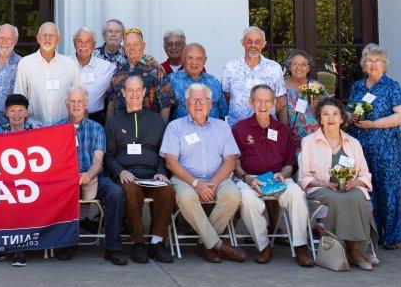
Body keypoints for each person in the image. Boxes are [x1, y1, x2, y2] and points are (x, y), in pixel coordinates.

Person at [161, 83, 245, 263]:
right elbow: (171, 162)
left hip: (218, 178)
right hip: (185, 179)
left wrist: (213, 183)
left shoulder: (222, 127)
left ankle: (204, 244)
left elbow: (230, 161)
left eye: (203, 100)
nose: (198, 104)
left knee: (232, 195)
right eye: (193, 100)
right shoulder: (175, 127)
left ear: (210, 104)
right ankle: (217, 245)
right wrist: (196, 184)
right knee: (185, 197)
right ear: (186, 103)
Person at [232, 85, 314, 266]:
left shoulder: (283, 130)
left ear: (274, 103)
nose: (263, 105)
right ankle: (263, 246)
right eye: (258, 101)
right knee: (247, 198)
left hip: (278, 177)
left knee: (297, 194)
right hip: (250, 178)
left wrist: (283, 175)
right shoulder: (239, 128)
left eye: (267, 101)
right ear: (250, 102)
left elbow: (289, 164)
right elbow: (235, 163)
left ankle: (300, 246)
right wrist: (247, 178)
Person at [299, 98, 377, 271]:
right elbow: (304, 176)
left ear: (342, 118)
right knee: (339, 199)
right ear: (320, 118)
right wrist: (324, 184)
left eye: (335, 114)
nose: (330, 118)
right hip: (321, 189)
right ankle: (353, 251)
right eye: (325, 114)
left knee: (359, 196)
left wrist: (354, 182)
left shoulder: (353, 143)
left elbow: (364, 173)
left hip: (350, 187)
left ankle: (356, 250)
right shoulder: (309, 141)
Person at [52, 87, 127, 265]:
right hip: (66, 179)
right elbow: (55, 161)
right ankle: (66, 244)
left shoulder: (97, 128)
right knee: (58, 193)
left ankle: (112, 248)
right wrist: (71, 177)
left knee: (115, 192)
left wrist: (88, 174)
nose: (76, 105)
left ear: (86, 104)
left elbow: (98, 160)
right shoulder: (56, 128)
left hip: (92, 176)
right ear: (66, 104)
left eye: (80, 102)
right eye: (72, 101)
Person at [104, 76, 175, 264]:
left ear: (144, 92)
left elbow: (164, 152)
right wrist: (120, 172)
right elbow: (109, 156)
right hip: (127, 175)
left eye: (138, 90)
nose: (134, 95)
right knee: (131, 189)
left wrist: (161, 171)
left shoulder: (157, 121)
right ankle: (138, 243)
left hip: (153, 174)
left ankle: (157, 243)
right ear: (123, 93)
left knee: (167, 190)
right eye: (130, 90)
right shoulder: (114, 122)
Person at [346, 43, 401, 251]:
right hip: (360, 147)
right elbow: (347, 113)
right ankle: (367, 232)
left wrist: (374, 124)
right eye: (369, 60)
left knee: (387, 190)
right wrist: (351, 117)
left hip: (386, 148)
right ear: (364, 64)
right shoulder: (357, 86)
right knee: (363, 189)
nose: (373, 64)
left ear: (385, 65)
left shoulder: (392, 86)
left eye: (377, 60)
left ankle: (389, 236)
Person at [0, 94, 38, 267]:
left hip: (30, 182)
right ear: (6, 113)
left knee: (22, 200)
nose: (16, 114)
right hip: (3, 182)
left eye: (20, 110)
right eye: (12, 110)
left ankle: (19, 249)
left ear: (27, 112)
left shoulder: (37, 132)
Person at [13, 22, 81, 126]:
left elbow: (79, 98)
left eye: (51, 35)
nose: (47, 38)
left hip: (63, 128)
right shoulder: (25, 63)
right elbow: (19, 98)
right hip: (34, 128)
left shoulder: (70, 64)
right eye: (44, 35)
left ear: (58, 39)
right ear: (38, 38)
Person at [221, 27, 287, 126]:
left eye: (257, 42)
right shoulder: (230, 67)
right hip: (236, 128)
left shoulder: (274, 68)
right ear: (242, 43)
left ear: (263, 44)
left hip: (266, 127)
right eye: (249, 41)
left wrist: (283, 130)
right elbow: (227, 96)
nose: (253, 45)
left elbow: (281, 101)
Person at [107, 28, 174, 121]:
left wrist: (161, 129)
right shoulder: (118, 70)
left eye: (136, 44)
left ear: (143, 45)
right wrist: (108, 129)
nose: (132, 48)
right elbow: (112, 102)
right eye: (128, 45)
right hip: (122, 128)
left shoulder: (155, 69)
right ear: (124, 48)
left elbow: (165, 103)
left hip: (149, 127)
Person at [168, 43, 227, 121]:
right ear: (183, 59)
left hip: (211, 131)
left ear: (205, 60)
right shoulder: (171, 80)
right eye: (190, 58)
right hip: (182, 132)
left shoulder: (214, 81)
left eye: (199, 58)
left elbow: (223, 112)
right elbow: (165, 112)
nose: (194, 62)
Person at [280, 49, 323, 149]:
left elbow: (329, 111)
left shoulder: (317, 87)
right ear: (289, 67)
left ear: (308, 69)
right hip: (290, 143)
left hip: (315, 142)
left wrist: (318, 107)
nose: (299, 67)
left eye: (303, 64)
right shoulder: (281, 88)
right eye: (295, 63)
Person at [73, 27, 116, 125]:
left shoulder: (108, 67)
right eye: (79, 41)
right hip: (69, 119)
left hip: (96, 119)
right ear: (74, 44)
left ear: (93, 45)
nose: (83, 45)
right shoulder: (65, 65)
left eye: (88, 41)